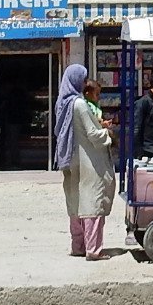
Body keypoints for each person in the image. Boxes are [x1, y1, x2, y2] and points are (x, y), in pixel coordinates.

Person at [56, 64, 116, 260]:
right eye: (82, 79)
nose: (84, 83)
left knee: (75, 203)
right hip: (88, 160)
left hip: (71, 160)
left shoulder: (63, 103)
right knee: (92, 202)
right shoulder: (80, 104)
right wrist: (107, 134)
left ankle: (78, 246)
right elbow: (92, 133)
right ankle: (93, 250)